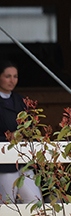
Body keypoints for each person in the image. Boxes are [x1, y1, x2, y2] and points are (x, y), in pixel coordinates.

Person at [0, 60, 43, 204]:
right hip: (4, 165)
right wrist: (9, 137)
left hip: (24, 162)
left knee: (35, 202)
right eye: (8, 76)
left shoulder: (22, 100)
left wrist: (27, 136)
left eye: (15, 76)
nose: (12, 80)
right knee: (7, 206)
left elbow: (32, 127)